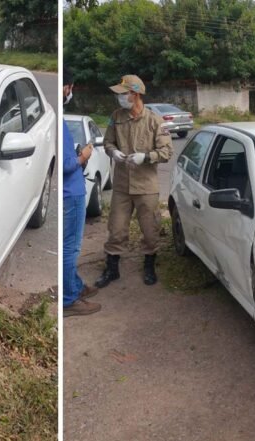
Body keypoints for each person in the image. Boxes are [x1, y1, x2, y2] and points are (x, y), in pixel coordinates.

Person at [95, 74, 172, 288]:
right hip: (121, 185)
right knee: (116, 228)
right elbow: (108, 142)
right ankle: (112, 268)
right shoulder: (116, 117)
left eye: (123, 93)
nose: (119, 98)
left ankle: (149, 265)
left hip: (146, 186)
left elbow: (167, 151)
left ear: (135, 94)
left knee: (149, 228)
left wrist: (146, 157)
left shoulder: (154, 121)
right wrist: (114, 153)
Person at [62, 68, 101, 317]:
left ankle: (74, 286)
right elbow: (67, 164)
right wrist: (83, 156)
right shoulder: (60, 122)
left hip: (71, 190)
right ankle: (69, 299)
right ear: (67, 88)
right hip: (71, 193)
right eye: (70, 88)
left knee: (70, 247)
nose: (70, 92)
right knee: (70, 249)